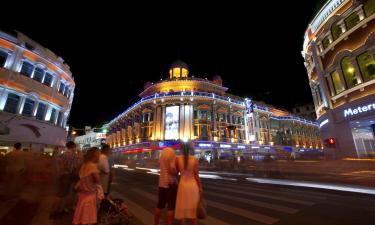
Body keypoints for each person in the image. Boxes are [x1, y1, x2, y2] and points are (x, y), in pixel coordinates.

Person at [50, 141, 81, 219]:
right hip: (67, 176)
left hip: (62, 175)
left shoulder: (63, 154)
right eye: (75, 146)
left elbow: (60, 165)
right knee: (61, 195)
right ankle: (55, 211)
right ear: (73, 146)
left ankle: (59, 210)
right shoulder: (72, 155)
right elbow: (74, 167)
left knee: (61, 194)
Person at [175, 141, 202, 225]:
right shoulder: (194, 159)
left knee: (182, 211)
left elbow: (176, 173)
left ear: (181, 149)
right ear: (190, 149)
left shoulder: (177, 159)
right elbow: (196, 175)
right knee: (193, 212)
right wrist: (200, 187)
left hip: (182, 186)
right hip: (193, 186)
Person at [73, 147, 102, 225]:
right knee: (88, 217)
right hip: (90, 195)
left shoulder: (84, 165)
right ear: (95, 155)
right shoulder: (92, 166)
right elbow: (97, 181)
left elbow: (81, 179)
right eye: (98, 154)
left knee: (81, 216)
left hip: (82, 195)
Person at [154, 147, 177, 225]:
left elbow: (159, 165)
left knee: (159, 205)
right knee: (170, 207)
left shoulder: (162, 153)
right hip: (170, 183)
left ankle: (156, 223)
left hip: (161, 183)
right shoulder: (172, 153)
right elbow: (172, 169)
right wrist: (176, 173)